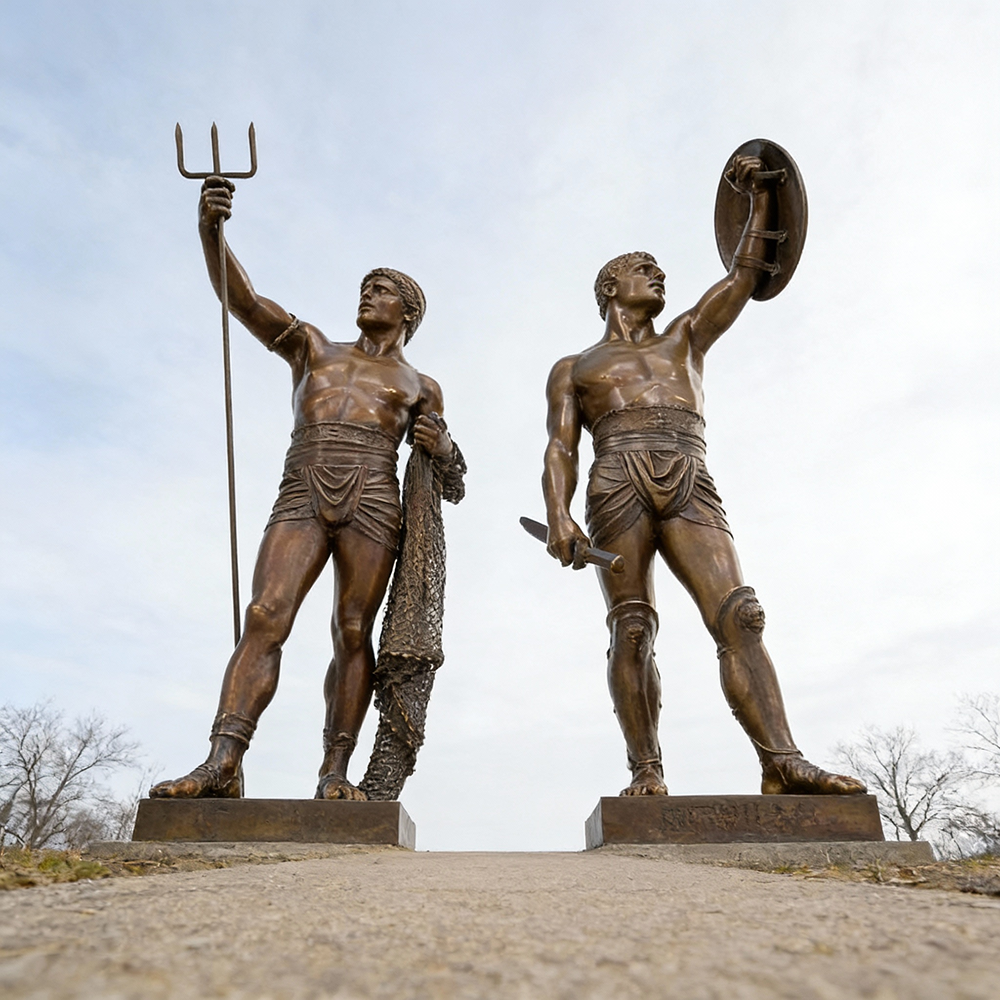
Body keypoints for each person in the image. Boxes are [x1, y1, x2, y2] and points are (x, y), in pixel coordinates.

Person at [541, 154, 865, 797]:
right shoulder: (574, 367)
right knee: (632, 627)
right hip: (616, 481)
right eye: (643, 268)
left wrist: (759, 195)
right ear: (610, 287)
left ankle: (782, 761)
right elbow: (560, 447)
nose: (658, 274)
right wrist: (558, 516)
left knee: (741, 615)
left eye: (658, 269)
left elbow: (744, 274)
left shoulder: (685, 338)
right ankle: (646, 770)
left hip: (688, 471)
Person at [151, 176, 464, 801]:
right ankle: (223, 760)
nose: (367, 294)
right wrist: (211, 231)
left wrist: (444, 448)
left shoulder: (420, 384)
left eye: (381, 289)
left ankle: (334, 772)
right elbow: (243, 300)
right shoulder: (313, 347)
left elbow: (452, 481)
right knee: (265, 614)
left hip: (374, 498)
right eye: (365, 287)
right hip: (304, 483)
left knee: (352, 630)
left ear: (408, 312)